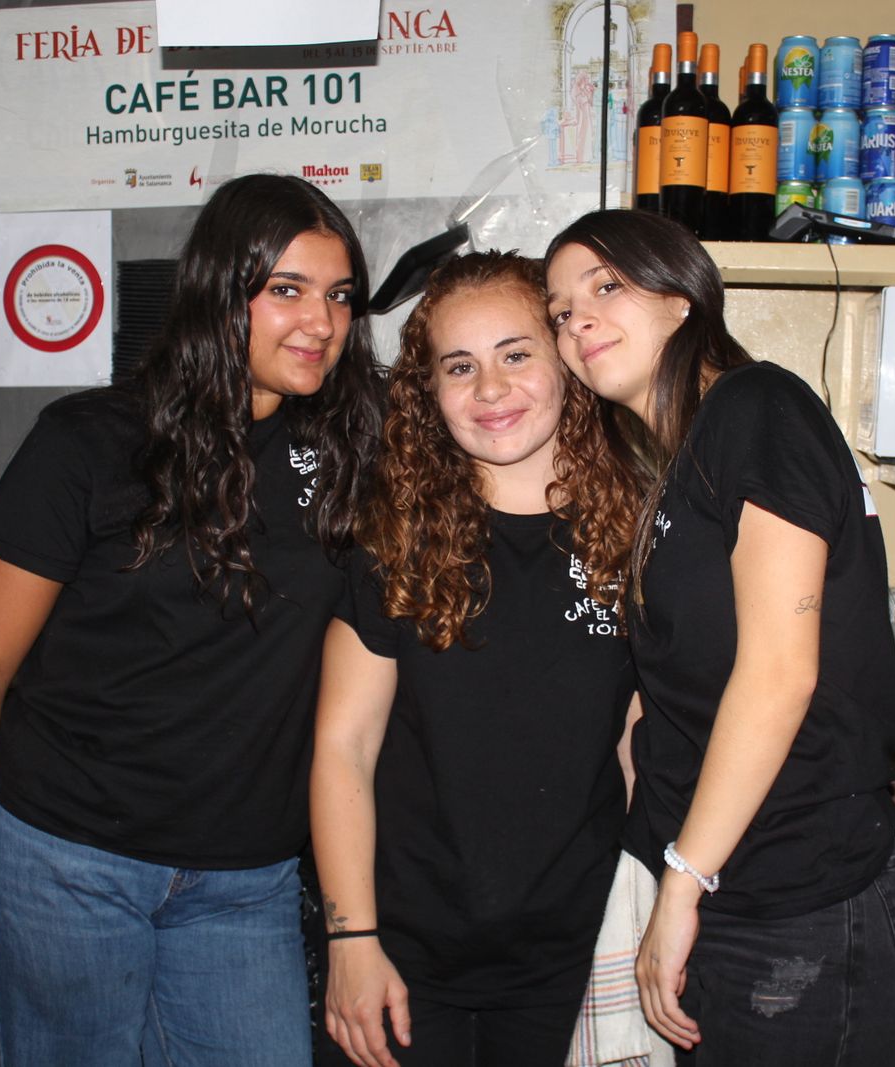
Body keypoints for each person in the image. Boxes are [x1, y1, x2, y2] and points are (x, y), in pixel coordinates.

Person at [0, 173, 384, 1066]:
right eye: (286, 289)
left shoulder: (348, 454)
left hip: (246, 878)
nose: (321, 322)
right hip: (65, 862)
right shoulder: (90, 442)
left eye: (339, 295)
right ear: (219, 291)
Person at [542, 210, 895, 1065]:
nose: (577, 322)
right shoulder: (678, 462)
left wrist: (683, 883)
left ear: (681, 295)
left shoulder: (756, 407)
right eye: (561, 310)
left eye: (605, 286)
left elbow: (779, 672)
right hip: (736, 892)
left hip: (800, 912)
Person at [310, 251, 645, 1067]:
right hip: (402, 955)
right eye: (460, 366)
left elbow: (640, 747)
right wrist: (351, 938)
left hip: (574, 956)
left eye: (515, 354)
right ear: (430, 393)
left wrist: (652, 912)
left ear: (566, 363)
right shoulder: (395, 538)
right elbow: (343, 747)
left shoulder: (635, 536)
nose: (491, 389)